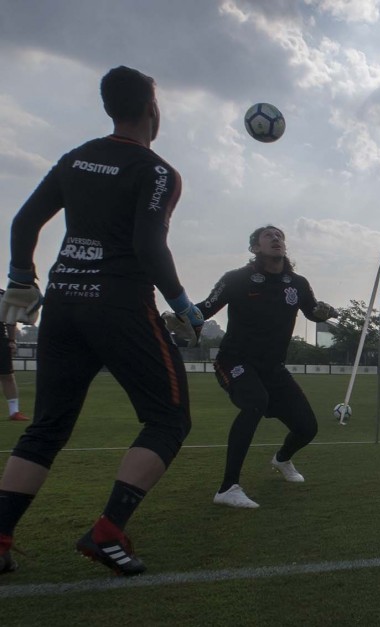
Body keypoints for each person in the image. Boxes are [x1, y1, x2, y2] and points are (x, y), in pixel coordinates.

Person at [0, 66, 203, 576]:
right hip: (119, 305)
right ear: (153, 110)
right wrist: (183, 305)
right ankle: (108, 532)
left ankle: (0, 538)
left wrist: (21, 278)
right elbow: (146, 246)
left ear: (109, 108)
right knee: (169, 418)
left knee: (46, 427)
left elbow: (24, 222)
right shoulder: (157, 171)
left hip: (64, 306)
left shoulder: (76, 158)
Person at [169, 226, 336, 509]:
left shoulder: (297, 282)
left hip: (273, 369)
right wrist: (177, 322)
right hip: (234, 360)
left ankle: (282, 459)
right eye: (268, 236)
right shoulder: (237, 279)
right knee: (256, 401)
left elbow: (311, 310)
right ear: (255, 248)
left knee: (307, 428)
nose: (276, 239)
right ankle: (228, 488)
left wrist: (325, 311)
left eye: (280, 236)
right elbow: (203, 310)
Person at [0, 314, 29, 421]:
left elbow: (10, 318)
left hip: (0, 337)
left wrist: (12, 340)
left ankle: (14, 412)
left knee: (7, 376)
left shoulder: (4, 296)